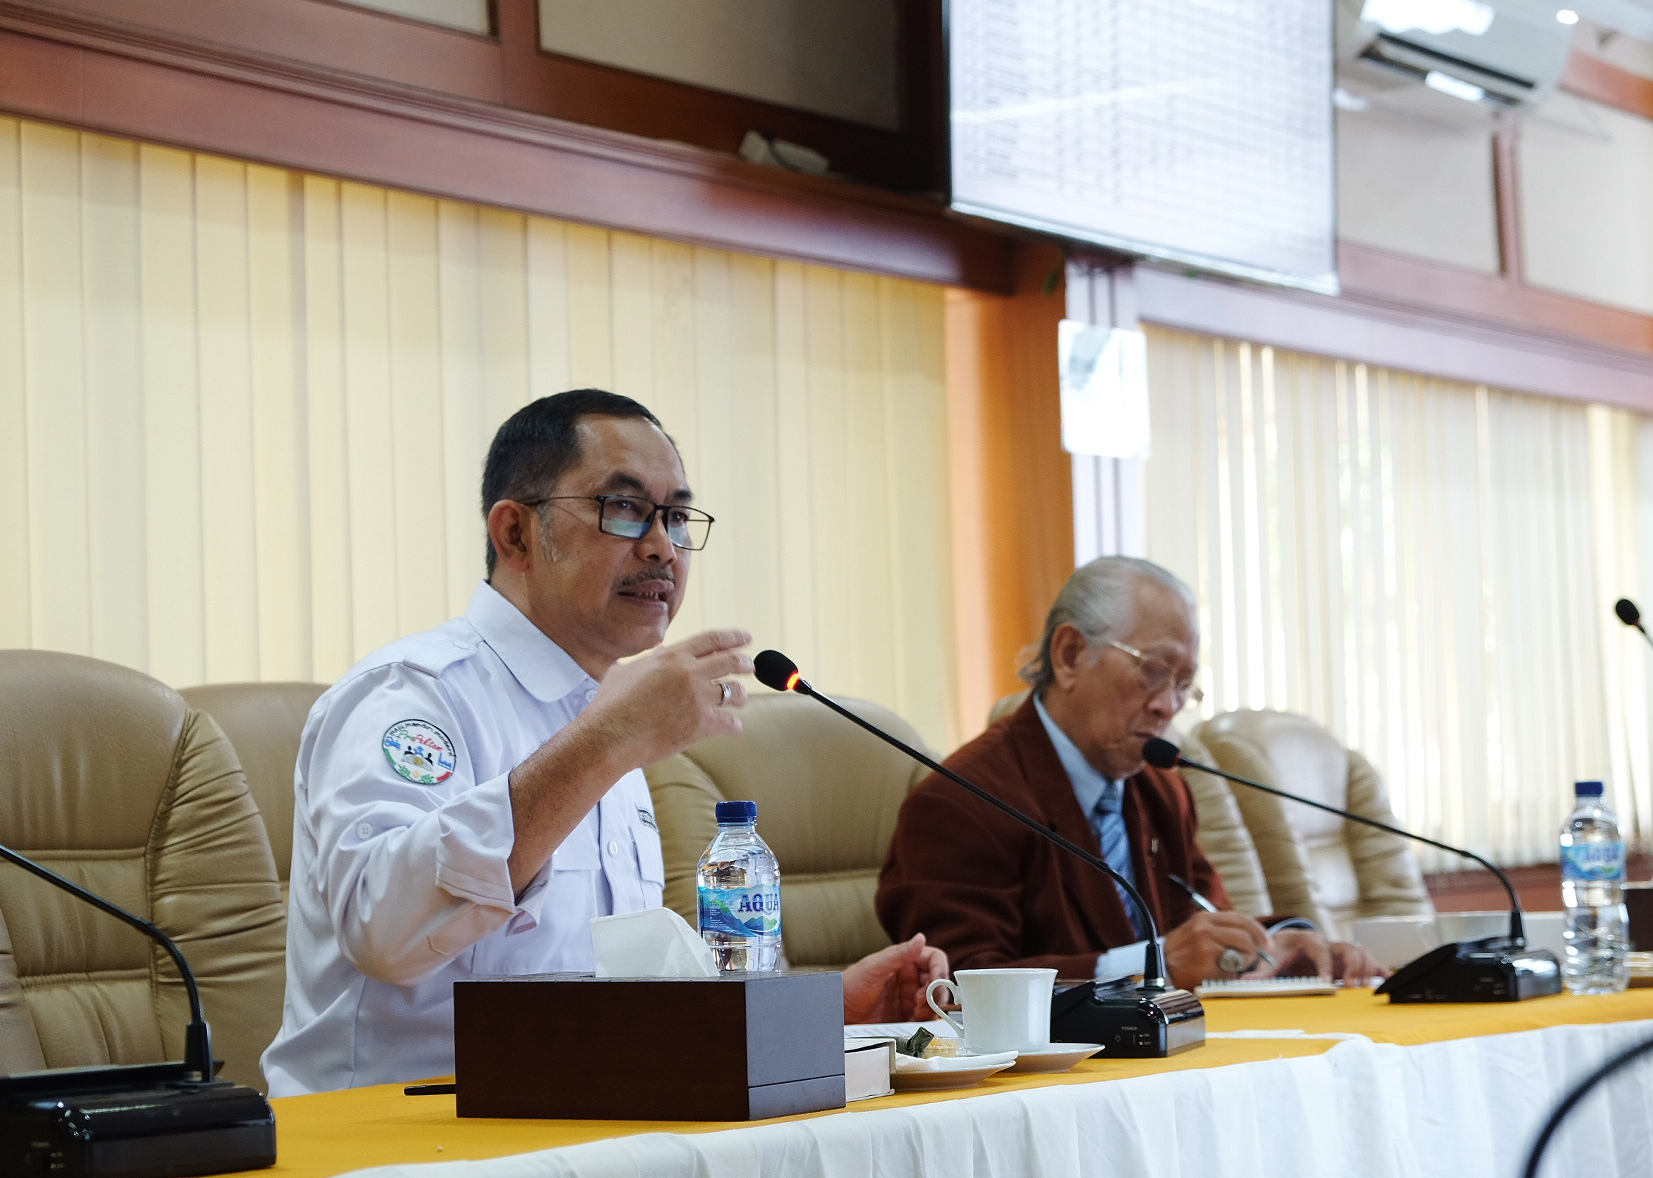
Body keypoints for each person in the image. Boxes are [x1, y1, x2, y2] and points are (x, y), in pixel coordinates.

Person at [263, 390, 945, 1096]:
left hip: (578, 1121)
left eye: (676, 517)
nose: (660, 547)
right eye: (623, 509)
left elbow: (621, 997)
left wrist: (816, 1013)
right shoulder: (409, 694)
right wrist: (607, 742)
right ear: (515, 534)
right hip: (393, 1139)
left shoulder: (608, 715)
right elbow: (386, 931)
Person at [876, 556, 1381, 990]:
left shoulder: (1161, 788)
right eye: (1154, 672)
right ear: (1070, 655)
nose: (1168, 706)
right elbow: (958, 989)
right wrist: (1151, 965)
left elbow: (1196, 931)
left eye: (1185, 685)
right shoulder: (961, 802)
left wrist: (1274, 947)